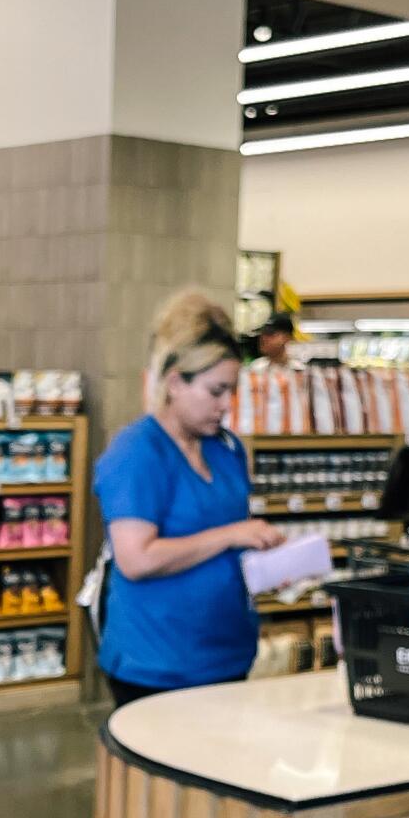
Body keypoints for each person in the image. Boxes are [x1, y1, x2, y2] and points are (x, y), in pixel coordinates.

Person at [93, 291, 284, 707]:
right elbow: (137, 559)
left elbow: (228, 544)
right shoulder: (137, 453)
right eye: (215, 391)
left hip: (226, 655)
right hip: (156, 666)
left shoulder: (227, 450)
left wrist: (269, 563)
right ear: (176, 382)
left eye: (231, 392)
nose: (225, 406)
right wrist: (232, 535)